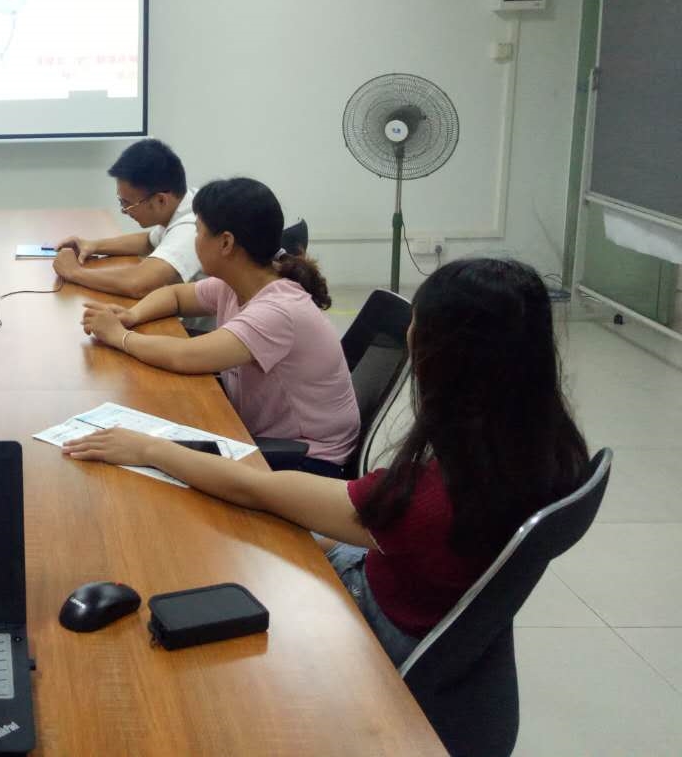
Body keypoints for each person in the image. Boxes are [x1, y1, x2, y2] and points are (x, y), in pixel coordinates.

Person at [66, 256, 590, 665]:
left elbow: (259, 489)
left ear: (447, 356)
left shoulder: (427, 499)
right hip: (409, 582)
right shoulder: (552, 447)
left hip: (380, 617)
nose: (411, 332)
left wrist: (150, 448)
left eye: (419, 322)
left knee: (196, 550)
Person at [81, 177, 357, 474]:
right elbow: (175, 296)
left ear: (226, 243)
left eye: (198, 231)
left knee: (147, 461)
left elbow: (186, 356)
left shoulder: (278, 311)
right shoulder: (240, 282)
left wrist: (119, 336)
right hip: (264, 434)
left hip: (306, 460)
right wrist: (132, 315)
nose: (194, 240)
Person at [52, 139, 200, 299]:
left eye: (128, 203)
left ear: (160, 200)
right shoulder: (187, 201)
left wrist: (74, 272)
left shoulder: (191, 228)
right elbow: (149, 241)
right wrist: (92, 245)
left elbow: (138, 284)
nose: (123, 210)